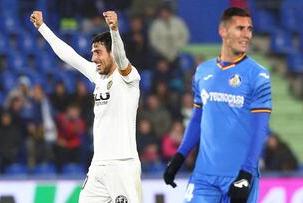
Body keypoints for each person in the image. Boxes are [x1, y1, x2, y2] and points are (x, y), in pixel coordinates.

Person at [30, 10, 142, 203]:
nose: (93, 58)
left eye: (98, 52)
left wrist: (114, 29)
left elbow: (122, 57)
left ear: (112, 52)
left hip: (122, 165)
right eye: (92, 53)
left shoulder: (128, 78)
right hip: (98, 164)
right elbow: (69, 55)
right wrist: (42, 27)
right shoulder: (98, 76)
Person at [163, 7, 272, 203]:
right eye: (240, 28)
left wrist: (246, 173)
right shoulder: (203, 71)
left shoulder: (258, 75)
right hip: (204, 175)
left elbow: (260, 129)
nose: (246, 34)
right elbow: (197, 120)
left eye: (249, 29)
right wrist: (179, 156)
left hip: (238, 175)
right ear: (223, 31)